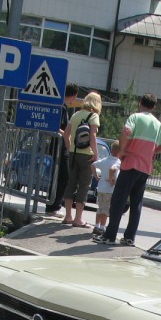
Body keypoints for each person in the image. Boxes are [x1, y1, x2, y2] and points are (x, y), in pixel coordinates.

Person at [95, 93, 161, 246]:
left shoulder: (135, 117)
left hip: (130, 164)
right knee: (136, 203)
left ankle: (110, 235)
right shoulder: (157, 124)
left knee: (118, 200)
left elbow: (126, 131)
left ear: (140, 103)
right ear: (154, 107)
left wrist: (122, 150)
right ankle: (130, 237)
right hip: (145, 167)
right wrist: (153, 151)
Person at [62, 91, 101, 228]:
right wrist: (96, 156)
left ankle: (68, 216)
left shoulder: (75, 114)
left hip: (73, 153)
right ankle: (78, 219)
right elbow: (93, 136)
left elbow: (66, 134)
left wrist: (70, 148)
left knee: (71, 183)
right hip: (87, 155)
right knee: (84, 185)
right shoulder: (93, 116)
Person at [44, 82, 79, 217]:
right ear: (73, 96)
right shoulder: (62, 108)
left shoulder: (60, 106)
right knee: (63, 176)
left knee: (58, 176)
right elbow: (56, 127)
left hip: (57, 144)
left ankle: (52, 204)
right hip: (60, 145)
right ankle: (54, 206)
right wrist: (67, 136)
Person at [91, 140, 120, 237]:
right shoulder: (117, 162)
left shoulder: (104, 160)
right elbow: (112, 169)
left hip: (101, 188)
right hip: (109, 189)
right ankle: (102, 228)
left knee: (100, 208)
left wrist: (95, 176)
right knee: (106, 210)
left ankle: (96, 225)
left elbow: (93, 165)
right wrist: (112, 179)